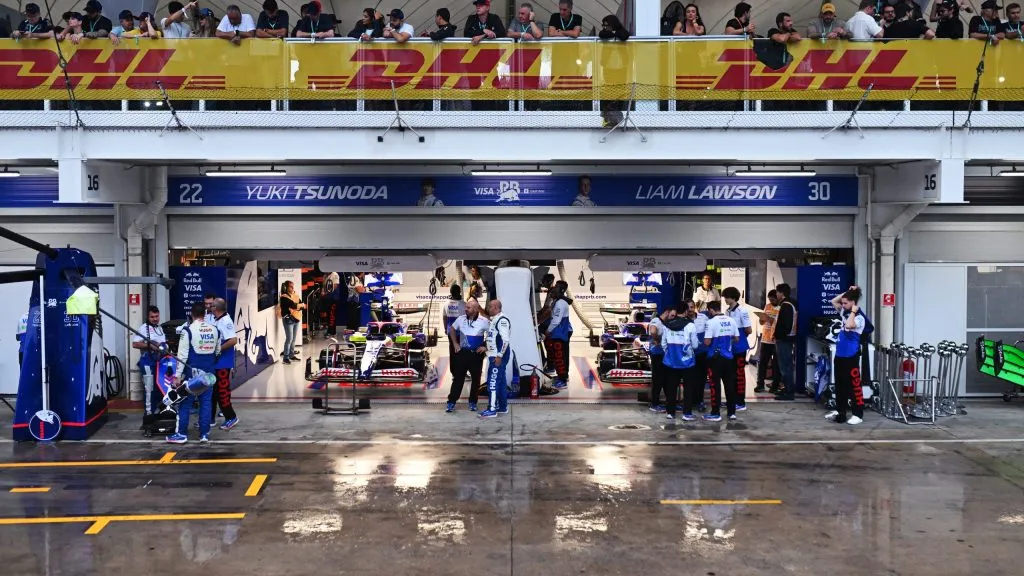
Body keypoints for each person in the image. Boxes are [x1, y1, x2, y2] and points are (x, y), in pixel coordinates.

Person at [167, 302, 220, 444]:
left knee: (185, 403)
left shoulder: (188, 330)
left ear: (192, 314)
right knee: (206, 403)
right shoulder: (215, 329)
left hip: (192, 374)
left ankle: (182, 434)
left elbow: (182, 355)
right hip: (209, 373)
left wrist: (177, 376)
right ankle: (204, 434)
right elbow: (218, 352)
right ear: (205, 313)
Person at [826, 287, 866, 425]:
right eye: (843, 303)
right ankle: (840, 410)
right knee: (840, 385)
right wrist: (847, 292)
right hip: (840, 355)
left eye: (846, 303)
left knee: (854, 385)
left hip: (851, 356)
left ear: (853, 303)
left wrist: (854, 310)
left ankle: (857, 414)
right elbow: (833, 301)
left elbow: (849, 325)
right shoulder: (845, 313)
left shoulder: (859, 318)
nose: (842, 306)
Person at [446, 298, 490, 412]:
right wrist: (455, 343)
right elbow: (452, 329)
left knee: (476, 380)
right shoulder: (460, 319)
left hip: (476, 354)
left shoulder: (483, 321)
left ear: (475, 309)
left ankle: (473, 402)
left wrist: (485, 346)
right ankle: (451, 402)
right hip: (462, 354)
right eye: (465, 307)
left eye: (468, 308)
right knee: (458, 379)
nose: (465, 309)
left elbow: (493, 334)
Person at [660, 309, 700, 421]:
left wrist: (670, 355)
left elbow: (663, 344)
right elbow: (695, 345)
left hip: (672, 362)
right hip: (687, 363)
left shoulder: (667, 325)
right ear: (686, 311)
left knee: (671, 388)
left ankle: (670, 413)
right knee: (688, 388)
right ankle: (687, 413)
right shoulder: (690, 325)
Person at [703, 301, 740, 422]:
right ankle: (732, 412)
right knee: (730, 385)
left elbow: (707, 342)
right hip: (729, 358)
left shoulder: (710, 322)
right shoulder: (731, 320)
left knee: (715, 385)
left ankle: (715, 413)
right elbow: (736, 338)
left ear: (711, 310)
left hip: (715, 359)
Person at [210, 298, 240, 430]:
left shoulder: (226, 321)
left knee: (222, 392)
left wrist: (218, 349)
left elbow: (233, 340)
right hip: (216, 363)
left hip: (223, 364)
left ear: (216, 308)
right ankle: (209, 419)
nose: (209, 307)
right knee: (213, 392)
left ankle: (231, 417)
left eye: (211, 306)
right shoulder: (217, 320)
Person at [133, 306, 167, 416]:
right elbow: (135, 343)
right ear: (148, 317)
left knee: (159, 387)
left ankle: (157, 410)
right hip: (148, 361)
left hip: (159, 362)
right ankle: (148, 414)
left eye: (157, 316)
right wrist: (150, 345)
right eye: (152, 317)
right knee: (149, 388)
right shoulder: (144, 328)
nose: (155, 319)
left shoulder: (160, 328)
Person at [480, 298, 512, 418]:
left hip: (498, 357)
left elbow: (505, 340)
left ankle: (492, 409)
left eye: (490, 307)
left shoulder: (502, 320)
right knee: (501, 383)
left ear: (496, 308)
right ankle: (502, 407)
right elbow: (493, 338)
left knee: (492, 383)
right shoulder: (495, 320)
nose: (488, 309)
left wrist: (499, 356)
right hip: (494, 355)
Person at [722, 287, 752, 411]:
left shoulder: (742, 311)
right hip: (730, 347)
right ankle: (732, 400)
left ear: (733, 297)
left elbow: (748, 329)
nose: (725, 300)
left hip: (739, 348)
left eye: (726, 297)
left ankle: (740, 402)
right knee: (730, 374)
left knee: (739, 375)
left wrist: (739, 337)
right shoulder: (727, 311)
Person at [646, 306, 676, 412]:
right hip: (657, 354)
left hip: (664, 354)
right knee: (658, 380)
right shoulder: (656, 320)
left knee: (666, 379)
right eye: (672, 315)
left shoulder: (665, 323)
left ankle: (669, 402)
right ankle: (654, 404)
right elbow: (653, 331)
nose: (672, 318)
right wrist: (658, 340)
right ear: (667, 312)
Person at [545, 280, 573, 389]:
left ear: (560, 290)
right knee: (560, 356)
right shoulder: (558, 301)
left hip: (560, 333)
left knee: (560, 357)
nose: (553, 288)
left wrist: (548, 331)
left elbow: (556, 321)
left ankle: (562, 380)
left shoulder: (561, 303)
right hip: (559, 333)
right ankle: (562, 376)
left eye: (556, 287)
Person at [773, 283, 798, 401]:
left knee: (785, 366)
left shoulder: (786, 305)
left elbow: (786, 325)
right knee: (786, 365)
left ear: (781, 293)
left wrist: (778, 335)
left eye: (777, 292)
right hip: (788, 338)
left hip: (784, 339)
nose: (776, 294)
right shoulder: (791, 303)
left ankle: (789, 392)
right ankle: (787, 389)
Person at [754, 290, 781, 394]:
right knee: (762, 363)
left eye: (773, 299)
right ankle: (760, 384)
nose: (771, 301)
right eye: (770, 299)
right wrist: (762, 319)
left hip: (776, 339)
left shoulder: (782, 307)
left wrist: (772, 320)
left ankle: (775, 385)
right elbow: (762, 322)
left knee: (776, 363)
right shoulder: (767, 306)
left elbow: (782, 322)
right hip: (765, 338)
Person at [280, 281, 304, 364]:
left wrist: (298, 306)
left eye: (293, 286)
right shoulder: (284, 297)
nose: (292, 288)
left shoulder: (296, 295)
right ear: (286, 287)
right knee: (289, 338)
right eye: (290, 286)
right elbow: (293, 305)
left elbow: (302, 306)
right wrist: (297, 306)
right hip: (288, 319)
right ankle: (285, 358)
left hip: (296, 319)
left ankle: (291, 355)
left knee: (293, 339)